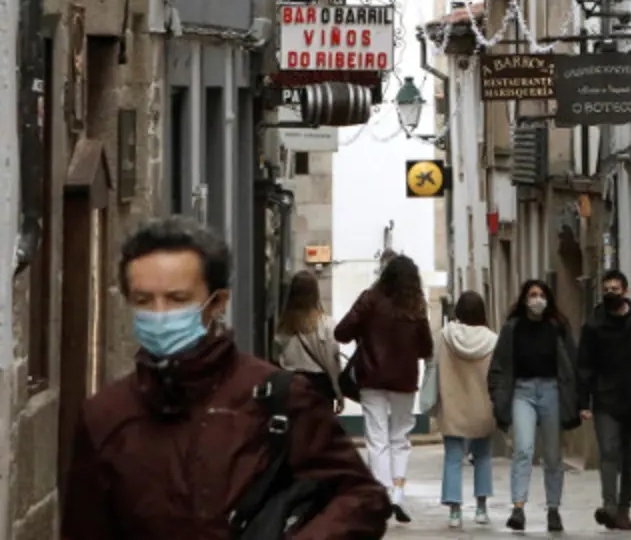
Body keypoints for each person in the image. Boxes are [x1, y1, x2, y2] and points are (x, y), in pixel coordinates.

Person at [62, 215, 390, 538]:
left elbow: (361, 498)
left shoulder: (278, 399)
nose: (159, 314)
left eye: (177, 299)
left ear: (216, 302)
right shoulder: (105, 416)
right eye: (144, 300)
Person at [335, 254, 434, 524]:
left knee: (377, 439)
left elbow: (341, 332)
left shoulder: (370, 299)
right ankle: (398, 494)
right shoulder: (416, 307)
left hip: (372, 378)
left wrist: (363, 333)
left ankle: (382, 494)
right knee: (400, 438)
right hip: (404, 380)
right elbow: (426, 348)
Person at [487, 279, 581, 533]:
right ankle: (518, 508)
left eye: (541, 294)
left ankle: (553, 509)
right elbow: (499, 365)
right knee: (523, 450)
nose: (537, 299)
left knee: (552, 455)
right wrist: (498, 395)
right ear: (524, 299)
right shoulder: (512, 328)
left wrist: (578, 398)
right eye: (532, 294)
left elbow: (572, 363)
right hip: (522, 392)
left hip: (552, 391)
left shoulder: (557, 327)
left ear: (548, 299)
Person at [578, 270, 631, 530]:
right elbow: (584, 365)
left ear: (625, 291)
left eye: (615, 289)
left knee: (629, 456)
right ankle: (610, 506)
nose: (610, 293)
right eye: (607, 289)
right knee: (609, 451)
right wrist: (584, 401)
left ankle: (624, 509)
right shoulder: (593, 325)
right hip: (605, 399)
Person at [433, 290, 499, 529]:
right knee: (482, 457)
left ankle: (454, 512)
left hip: (453, 404)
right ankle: (481, 509)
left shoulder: (445, 336)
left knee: (452, 458)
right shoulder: (492, 340)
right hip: (483, 406)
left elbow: (434, 367)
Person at [275, 269, 343, 412]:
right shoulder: (326, 325)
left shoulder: (283, 327)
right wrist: (338, 392)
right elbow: (332, 363)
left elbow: (276, 359)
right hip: (320, 387)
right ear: (315, 294)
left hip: (292, 385)